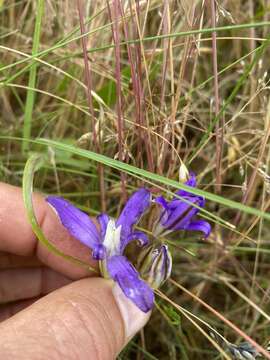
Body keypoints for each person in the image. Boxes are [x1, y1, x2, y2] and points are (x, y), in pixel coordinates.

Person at [0, 183, 150, 359]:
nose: (107, 222)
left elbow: (141, 198)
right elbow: (61, 208)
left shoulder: (113, 256)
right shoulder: (109, 256)